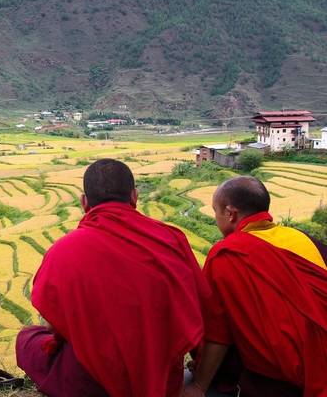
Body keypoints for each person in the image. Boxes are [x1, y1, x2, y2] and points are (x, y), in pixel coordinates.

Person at [17, 158, 210, 397]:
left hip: (92, 382)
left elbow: (54, 322)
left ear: (84, 202)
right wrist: (200, 379)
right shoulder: (170, 238)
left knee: (27, 339)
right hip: (160, 375)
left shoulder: (64, 250)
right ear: (134, 196)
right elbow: (201, 307)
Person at [183, 176, 327, 397]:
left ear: (230, 214)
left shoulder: (226, 255)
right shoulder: (305, 239)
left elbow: (218, 335)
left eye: (216, 211)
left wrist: (199, 385)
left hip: (282, 383)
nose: (215, 218)